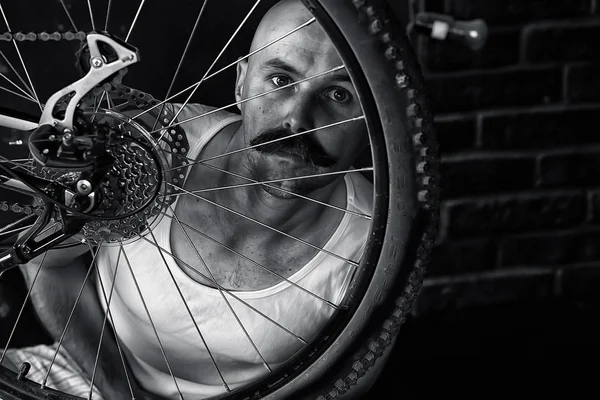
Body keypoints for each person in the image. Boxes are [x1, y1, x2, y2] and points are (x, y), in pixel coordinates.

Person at [2, 0, 392, 398]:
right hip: (92, 372)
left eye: (339, 94)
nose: (296, 119)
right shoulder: (151, 146)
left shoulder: (381, 245)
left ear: (375, 118)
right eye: (279, 80)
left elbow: (346, 382)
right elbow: (47, 265)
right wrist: (123, 394)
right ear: (241, 82)